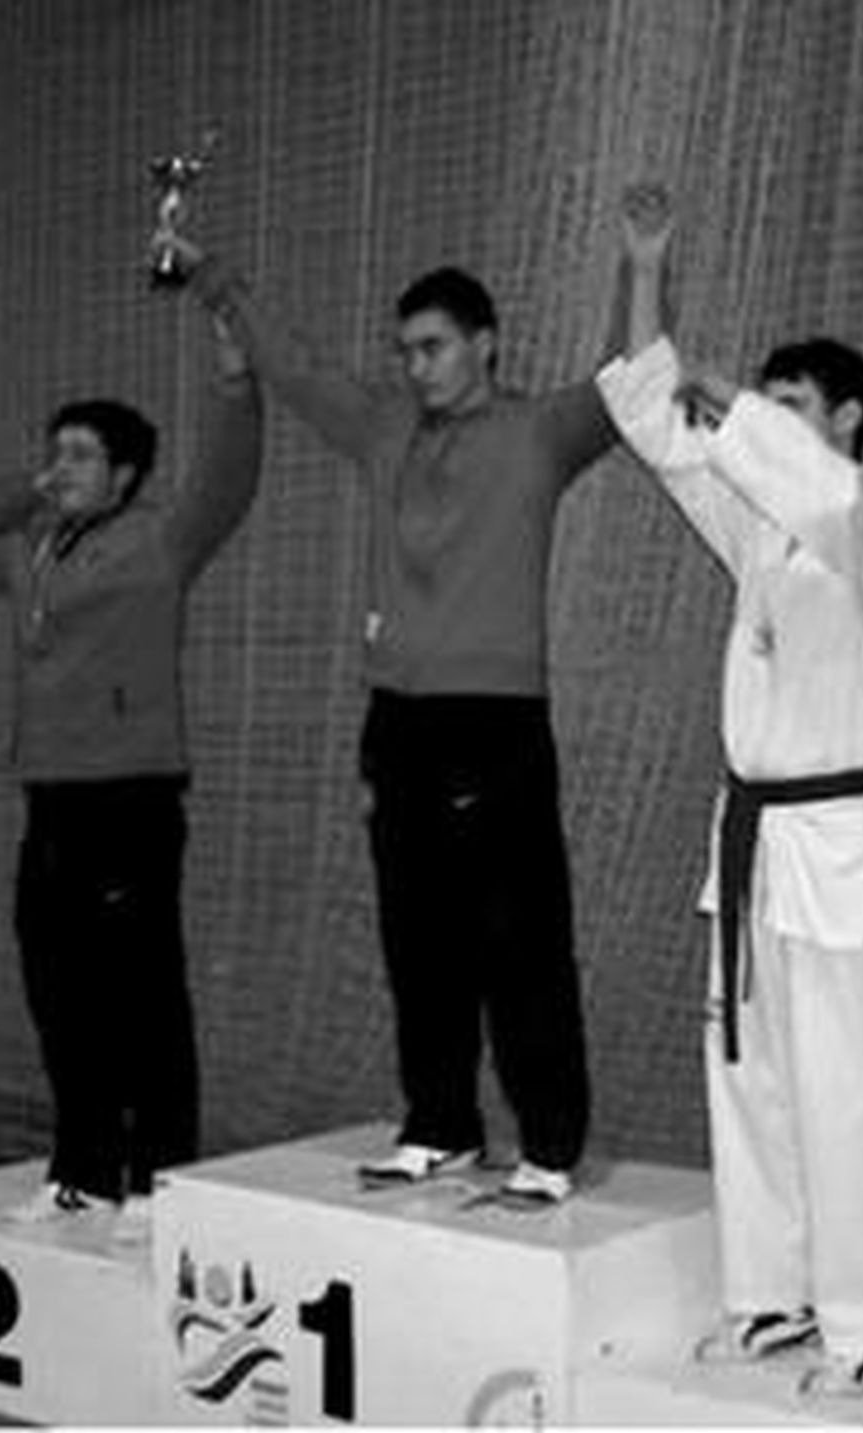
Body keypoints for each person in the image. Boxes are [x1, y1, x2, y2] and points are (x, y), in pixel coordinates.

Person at [154, 228, 617, 1206]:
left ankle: (551, 1142)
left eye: (434, 347)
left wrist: (645, 265)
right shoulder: (382, 427)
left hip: (496, 722)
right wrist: (210, 273)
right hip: (399, 721)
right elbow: (294, 364)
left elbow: (630, 378)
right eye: (406, 350)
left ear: (486, 342)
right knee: (421, 936)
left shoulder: (540, 432)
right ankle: (441, 1124)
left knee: (518, 940)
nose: (416, 367)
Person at [597, 184, 863, 1394]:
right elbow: (658, 423)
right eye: (769, 407)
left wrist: (740, 404)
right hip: (752, 837)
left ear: (843, 418)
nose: (766, 427)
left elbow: (794, 472)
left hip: (841, 839)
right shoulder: (759, 530)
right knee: (750, 1079)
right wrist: (646, 273)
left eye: (795, 408)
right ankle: (772, 1297)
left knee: (851, 1090)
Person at [0, 303, 264, 1243]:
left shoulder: (159, 539)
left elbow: (229, 479)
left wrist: (236, 383)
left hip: (131, 801)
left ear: (126, 475)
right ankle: (82, 1170)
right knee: (58, 989)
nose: (63, 465)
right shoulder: (31, 549)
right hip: (51, 802)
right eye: (57, 450)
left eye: (82, 454)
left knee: (142, 995)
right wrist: (27, 487)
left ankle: (159, 1180)